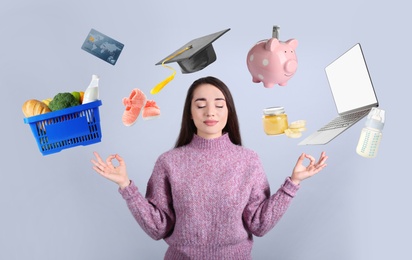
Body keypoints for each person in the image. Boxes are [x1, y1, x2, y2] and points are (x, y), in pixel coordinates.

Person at [91, 76, 328, 259]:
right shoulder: (169, 162)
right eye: (200, 105)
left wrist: (293, 183)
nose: (210, 112)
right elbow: (157, 229)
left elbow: (260, 224)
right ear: (191, 114)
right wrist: (126, 186)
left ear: (228, 111)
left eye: (219, 104)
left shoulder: (249, 160)